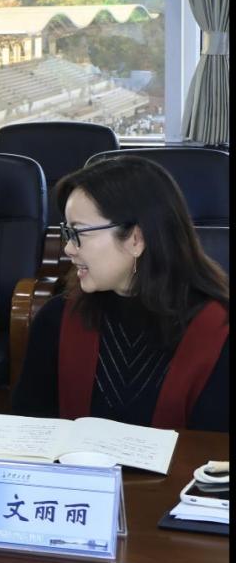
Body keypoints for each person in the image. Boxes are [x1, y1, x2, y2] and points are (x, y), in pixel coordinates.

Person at [13, 155, 228, 431]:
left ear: (136, 239)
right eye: (67, 232)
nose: (68, 249)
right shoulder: (58, 318)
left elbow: (215, 450)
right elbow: (28, 429)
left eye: (79, 233)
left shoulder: (218, 331)